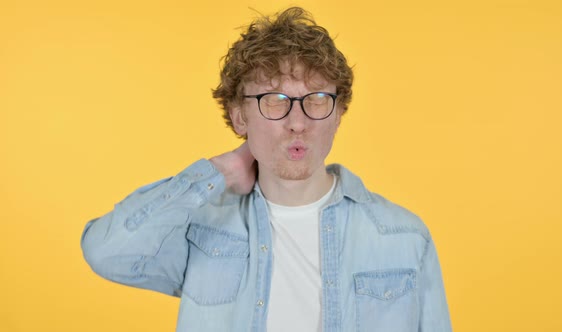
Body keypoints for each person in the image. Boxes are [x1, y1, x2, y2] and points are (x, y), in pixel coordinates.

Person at [81, 7, 452, 332]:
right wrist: (217, 173)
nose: (297, 122)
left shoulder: (403, 237)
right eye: (275, 101)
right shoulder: (201, 229)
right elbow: (106, 252)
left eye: (317, 99)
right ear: (239, 116)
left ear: (338, 114)